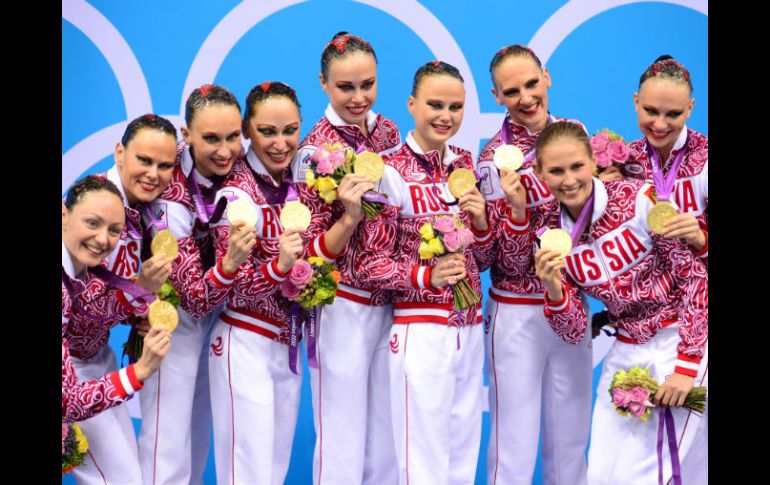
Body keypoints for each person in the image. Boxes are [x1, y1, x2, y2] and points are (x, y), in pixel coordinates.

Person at [499, 120, 708, 485]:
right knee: (599, 474)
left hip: (680, 341)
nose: (569, 180)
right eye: (557, 170)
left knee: (647, 476)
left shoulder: (640, 200)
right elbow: (574, 330)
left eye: (577, 166)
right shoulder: (548, 232)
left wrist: (687, 366)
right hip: (625, 351)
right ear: (539, 172)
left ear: (593, 161)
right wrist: (553, 288)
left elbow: (695, 278)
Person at [354, 60, 493, 485]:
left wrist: (483, 222)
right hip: (419, 329)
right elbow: (367, 263)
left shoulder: (466, 164)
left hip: (468, 328)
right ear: (412, 104)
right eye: (434, 104)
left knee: (462, 454)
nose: (445, 116)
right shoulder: (387, 169)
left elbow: (482, 260)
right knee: (422, 463)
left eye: (455, 107)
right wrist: (424, 277)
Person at [475, 44, 591, 485]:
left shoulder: (575, 132)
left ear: (547, 77)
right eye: (511, 90)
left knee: (571, 441)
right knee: (513, 445)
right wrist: (519, 212)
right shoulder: (491, 160)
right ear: (496, 96)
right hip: (518, 309)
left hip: (572, 302)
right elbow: (498, 260)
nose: (524, 96)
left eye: (530, 83)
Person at [292, 31, 402, 485]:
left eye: (367, 84)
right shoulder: (313, 149)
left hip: (393, 302)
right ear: (322, 83)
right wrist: (351, 218)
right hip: (342, 304)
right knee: (341, 435)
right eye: (345, 87)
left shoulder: (390, 132)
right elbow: (310, 242)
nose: (359, 97)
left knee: (387, 436)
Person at [138, 84, 255, 485]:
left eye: (232, 137)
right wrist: (231, 262)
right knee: (166, 438)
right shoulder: (168, 195)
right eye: (210, 139)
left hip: (219, 316)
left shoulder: (240, 169)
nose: (224, 150)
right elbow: (193, 297)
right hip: (176, 317)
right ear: (186, 135)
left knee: (199, 434)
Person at [206, 81, 319, 485]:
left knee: (274, 468)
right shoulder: (236, 191)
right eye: (267, 131)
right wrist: (281, 266)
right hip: (245, 340)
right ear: (246, 131)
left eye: (290, 130)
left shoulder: (302, 181)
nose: (280, 142)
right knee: (247, 471)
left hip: (287, 341)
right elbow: (231, 282)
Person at [64, 114, 178, 484]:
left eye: (164, 165)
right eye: (144, 160)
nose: (153, 174)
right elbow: (83, 310)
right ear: (119, 153)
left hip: (97, 359)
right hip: (72, 370)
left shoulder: (147, 211)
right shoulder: (95, 204)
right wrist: (138, 292)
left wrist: (139, 309)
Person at [62, 175, 171, 430]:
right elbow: (67, 403)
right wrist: (140, 370)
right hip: (82, 373)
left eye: (114, 230)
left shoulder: (87, 268)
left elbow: (92, 312)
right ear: (64, 216)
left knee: (127, 472)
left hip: (97, 361)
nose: (102, 240)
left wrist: (137, 310)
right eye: (92, 223)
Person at [622, 55, 708, 266]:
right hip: (646, 296)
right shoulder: (623, 160)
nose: (660, 125)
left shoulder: (704, 158)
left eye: (673, 114)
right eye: (650, 111)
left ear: (690, 108)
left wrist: (701, 239)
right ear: (636, 102)